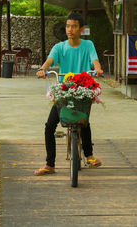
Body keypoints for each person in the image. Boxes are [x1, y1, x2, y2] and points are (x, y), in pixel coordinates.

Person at [34, 12, 104, 175]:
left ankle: (89, 156)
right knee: (49, 126)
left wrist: (98, 69)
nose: (70, 29)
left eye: (73, 26)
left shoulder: (88, 45)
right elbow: (50, 60)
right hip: (64, 91)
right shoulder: (60, 47)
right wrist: (42, 69)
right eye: (67, 26)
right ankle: (50, 164)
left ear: (81, 29)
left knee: (84, 120)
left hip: (83, 89)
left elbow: (94, 60)